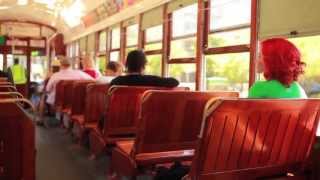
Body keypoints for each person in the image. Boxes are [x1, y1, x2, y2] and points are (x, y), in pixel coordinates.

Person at [110, 50, 179, 87]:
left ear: (127, 64)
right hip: (146, 113)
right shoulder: (152, 80)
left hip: (122, 112)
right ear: (143, 65)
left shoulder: (117, 81)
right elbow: (175, 82)